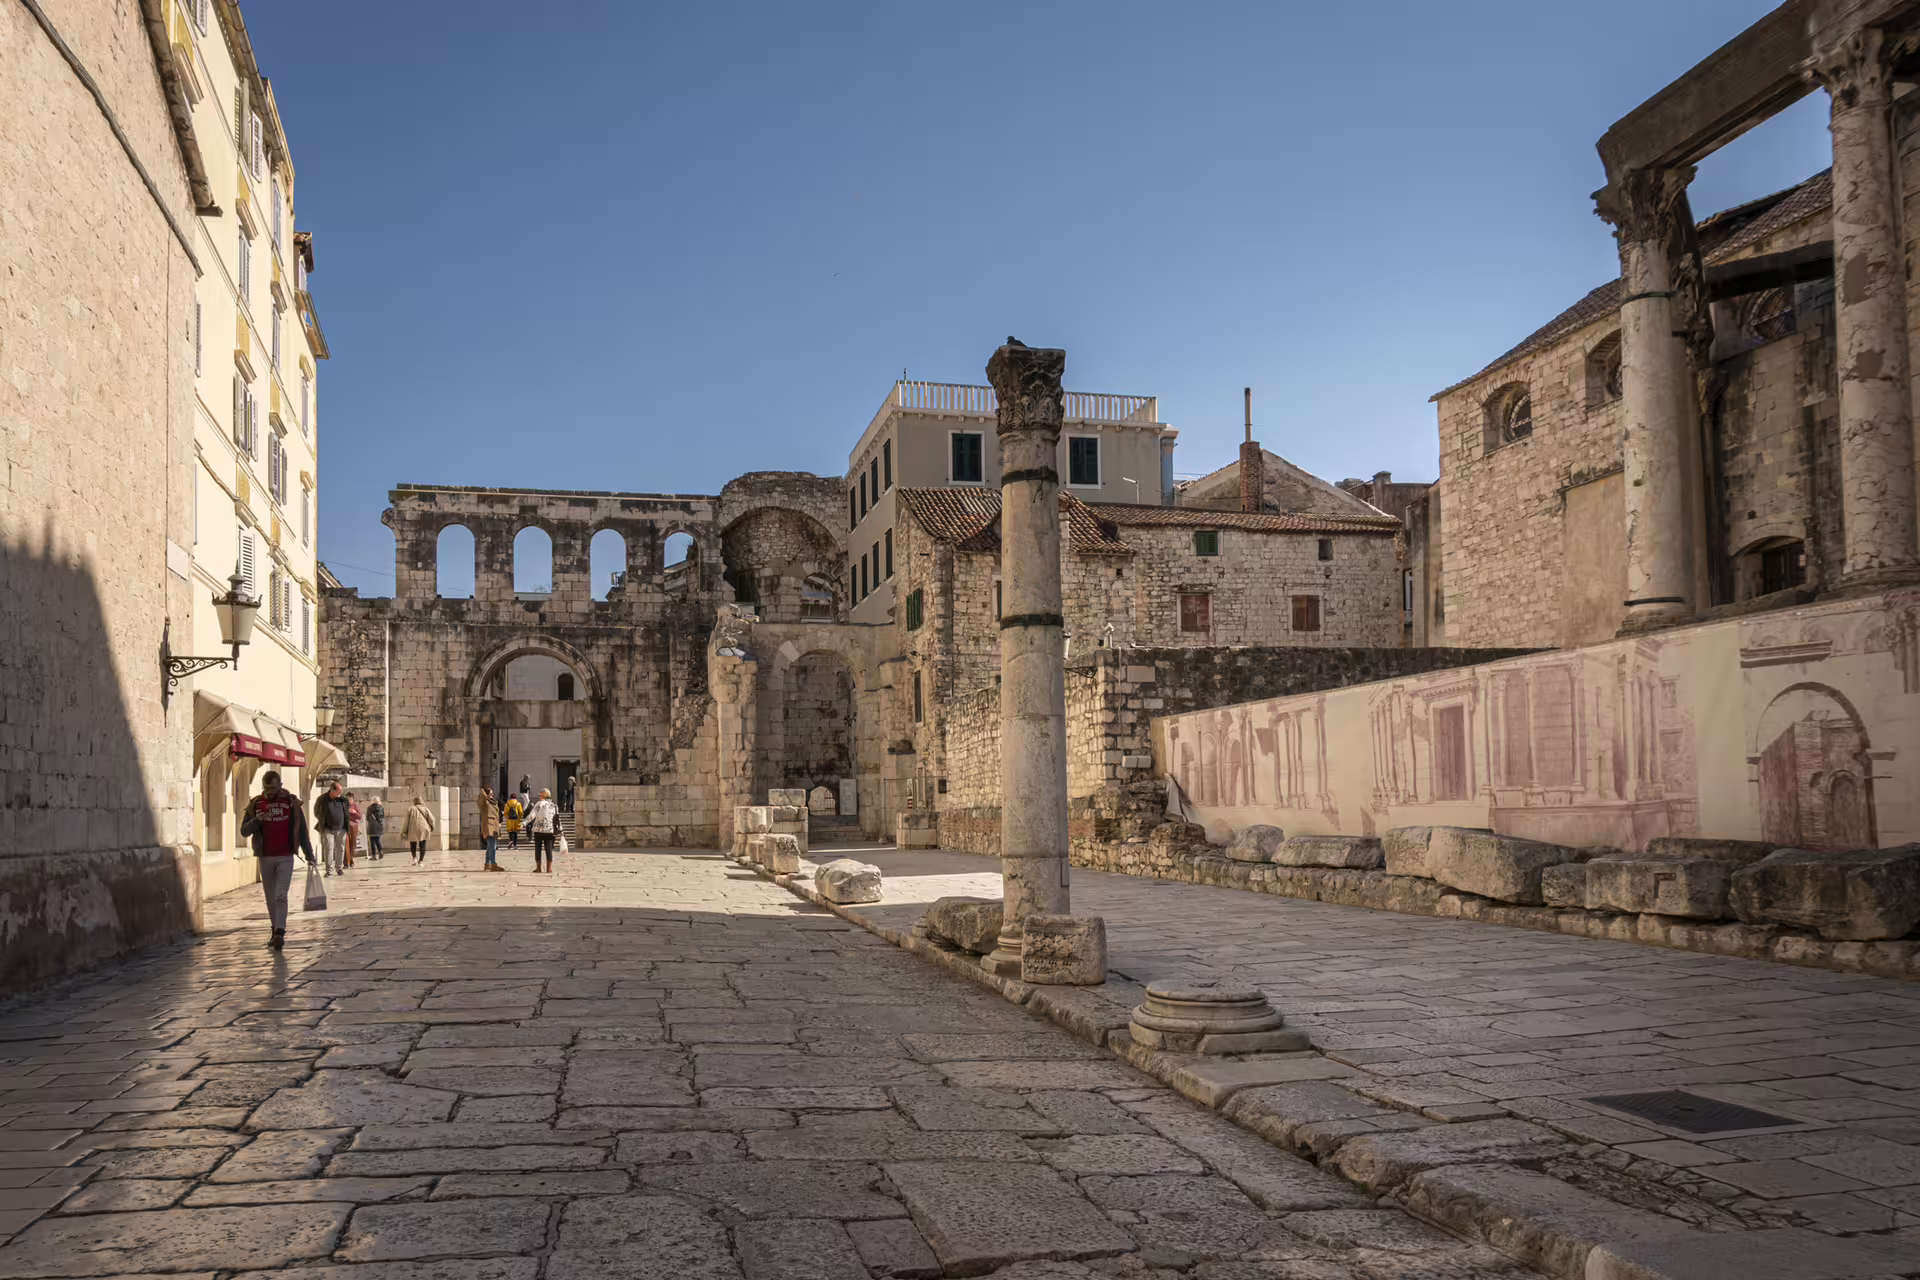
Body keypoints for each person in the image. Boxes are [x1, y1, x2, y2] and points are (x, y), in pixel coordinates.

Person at [238, 770, 315, 951]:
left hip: (285, 856)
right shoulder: (255, 804)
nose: (270, 791)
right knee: (270, 897)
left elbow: (302, 830)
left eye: (273, 788)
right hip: (265, 857)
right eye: (266, 788)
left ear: (280, 786)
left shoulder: (291, 803)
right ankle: (274, 929)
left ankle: (280, 931)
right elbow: (244, 831)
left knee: (281, 895)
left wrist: (309, 853)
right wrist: (256, 820)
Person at [314, 781, 350, 876]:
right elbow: (316, 811)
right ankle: (329, 870)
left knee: (340, 848)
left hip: (341, 828)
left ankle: (339, 868)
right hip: (327, 828)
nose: (340, 793)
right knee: (329, 848)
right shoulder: (322, 799)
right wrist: (322, 819)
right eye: (338, 791)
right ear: (332, 790)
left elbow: (346, 812)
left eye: (341, 791)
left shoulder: (343, 800)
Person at [526, 788, 559, 873]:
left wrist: (523, 823)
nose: (539, 796)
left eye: (540, 795)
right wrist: (561, 830)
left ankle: (538, 868)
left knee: (538, 848)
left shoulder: (539, 804)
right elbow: (557, 819)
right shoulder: (554, 805)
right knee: (549, 849)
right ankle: (549, 868)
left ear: (544, 795)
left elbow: (531, 815)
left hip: (539, 829)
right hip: (549, 830)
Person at [402, 794, 436, 864]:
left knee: (413, 844)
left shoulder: (410, 809)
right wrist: (432, 827)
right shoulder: (426, 809)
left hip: (412, 828)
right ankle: (421, 861)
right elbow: (432, 819)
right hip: (423, 828)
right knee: (422, 844)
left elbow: (406, 821)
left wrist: (404, 831)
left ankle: (414, 858)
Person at [477, 787, 503, 872]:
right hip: (488, 827)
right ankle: (493, 864)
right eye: (490, 794)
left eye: (492, 794)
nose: (492, 795)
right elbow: (481, 799)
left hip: (494, 826)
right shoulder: (485, 803)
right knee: (493, 846)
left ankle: (487, 864)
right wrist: (483, 792)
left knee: (490, 846)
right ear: (486, 795)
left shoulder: (493, 802)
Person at [345, 793, 361, 869]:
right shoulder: (344, 806)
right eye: (348, 799)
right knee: (346, 844)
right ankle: (346, 862)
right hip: (346, 827)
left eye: (350, 799)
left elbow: (360, 816)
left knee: (352, 845)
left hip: (354, 827)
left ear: (353, 799)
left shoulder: (355, 806)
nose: (349, 801)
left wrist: (354, 812)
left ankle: (351, 859)